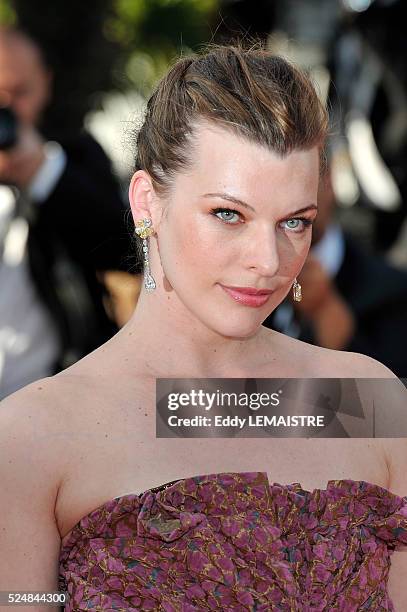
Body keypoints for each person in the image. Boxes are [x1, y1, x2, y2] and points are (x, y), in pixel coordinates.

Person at [0, 43, 406, 611]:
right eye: (228, 214)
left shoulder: (369, 403)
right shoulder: (31, 436)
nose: (267, 260)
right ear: (147, 202)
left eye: (294, 221)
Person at [0, 26, 132, 399]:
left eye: (20, 93)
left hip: (55, 395)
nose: (7, 113)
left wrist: (43, 173)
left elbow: (122, 248)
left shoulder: (76, 155)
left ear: (46, 83)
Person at [264, 161, 407, 377]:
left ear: (328, 183)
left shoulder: (391, 290)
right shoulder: (245, 271)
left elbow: (390, 395)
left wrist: (325, 309)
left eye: (298, 182)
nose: (286, 201)